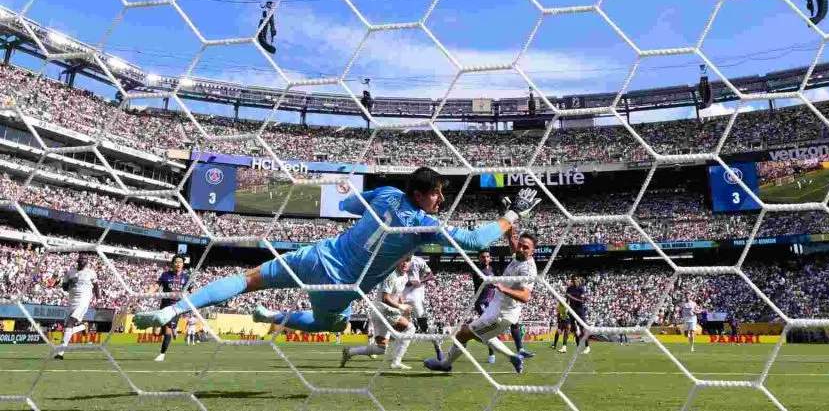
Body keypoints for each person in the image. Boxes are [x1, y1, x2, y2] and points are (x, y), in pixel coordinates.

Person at [132, 169, 541, 337]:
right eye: (437, 194)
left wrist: (361, 212)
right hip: (342, 286)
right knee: (333, 325)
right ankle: (276, 318)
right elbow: (472, 242)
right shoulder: (423, 226)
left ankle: (174, 310)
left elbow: (348, 207)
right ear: (421, 194)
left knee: (248, 278)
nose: (439, 201)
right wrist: (512, 214)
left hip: (316, 255)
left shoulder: (386, 193)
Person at [424, 231, 538, 374]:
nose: (520, 249)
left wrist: (503, 289)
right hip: (496, 306)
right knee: (477, 334)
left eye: (525, 247)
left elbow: (525, 296)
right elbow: (514, 248)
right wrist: (510, 237)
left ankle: (445, 364)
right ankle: (514, 357)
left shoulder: (528, 269)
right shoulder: (519, 256)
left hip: (502, 313)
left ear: (533, 251)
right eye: (520, 245)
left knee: (464, 333)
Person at [341, 259, 414, 370]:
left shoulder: (404, 277)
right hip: (384, 311)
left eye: (408, 261)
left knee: (380, 349)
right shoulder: (391, 276)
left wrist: (402, 304)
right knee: (410, 329)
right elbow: (385, 298)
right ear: (398, 261)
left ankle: (350, 351)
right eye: (402, 260)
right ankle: (396, 361)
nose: (405, 263)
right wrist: (400, 307)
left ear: (411, 263)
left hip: (382, 313)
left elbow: (398, 294)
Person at [395, 255, 444, 365]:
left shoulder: (418, 261)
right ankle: (396, 358)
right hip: (400, 295)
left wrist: (419, 281)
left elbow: (431, 275)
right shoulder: (397, 258)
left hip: (416, 295)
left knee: (425, 326)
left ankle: (438, 347)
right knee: (400, 326)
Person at [54, 255, 100, 360]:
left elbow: (96, 286)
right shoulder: (70, 272)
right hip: (72, 301)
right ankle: (81, 327)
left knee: (70, 323)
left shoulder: (91, 273)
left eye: (84, 259)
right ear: (77, 260)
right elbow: (65, 288)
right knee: (67, 327)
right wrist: (69, 282)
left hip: (83, 300)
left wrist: (99, 300)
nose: (82, 260)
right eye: (81, 258)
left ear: (87, 261)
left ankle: (60, 352)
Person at [151, 255, 189, 362]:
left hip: (176, 308)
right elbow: (156, 286)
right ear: (172, 264)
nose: (178, 264)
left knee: (167, 329)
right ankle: (173, 328)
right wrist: (147, 293)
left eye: (180, 262)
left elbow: (191, 291)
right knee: (156, 333)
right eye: (176, 262)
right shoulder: (165, 275)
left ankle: (162, 354)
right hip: (164, 306)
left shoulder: (186, 278)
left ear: (182, 265)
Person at [471, 249, 498, 364]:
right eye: (483, 257)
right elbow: (489, 283)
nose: (485, 258)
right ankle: (491, 354)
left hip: (491, 302)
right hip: (481, 302)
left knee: (492, 328)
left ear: (490, 258)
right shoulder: (477, 271)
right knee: (490, 326)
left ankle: (470, 334)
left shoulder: (492, 270)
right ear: (479, 259)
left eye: (487, 256)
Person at [566, 275, 590, 354]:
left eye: (576, 279)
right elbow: (567, 299)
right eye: (573, 280)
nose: (575, 281)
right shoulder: (569, 288)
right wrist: (567, 307)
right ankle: (578, 347)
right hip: (572, 310)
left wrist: (571, 297)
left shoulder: (581, 288)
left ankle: (587, 347)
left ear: (578, 279)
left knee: (583, 329)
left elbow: (581, 301)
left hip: (580, 311)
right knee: (574, 330)